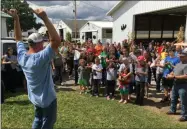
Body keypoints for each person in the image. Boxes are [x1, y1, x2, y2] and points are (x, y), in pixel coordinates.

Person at [5, 8, 61, 128]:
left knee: (38, 119)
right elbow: (56, 40)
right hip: (47, 99)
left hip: (34, 98)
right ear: (39, 44)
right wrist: (45, 17)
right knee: (47, 122)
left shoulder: (22, 57)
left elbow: (18, 38)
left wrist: (16, 19)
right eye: (42, 42)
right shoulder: (41, 58)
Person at [166, 47, 187, 122]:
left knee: (183, 101)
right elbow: (174, 71)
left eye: (182, 56)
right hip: (175, 84)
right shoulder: (178, 64)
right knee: (173, 98)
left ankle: (184, 115)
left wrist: (174, 76)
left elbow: (185, 76)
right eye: (180, 56)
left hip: (183, 85)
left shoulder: (186, 65)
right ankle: (172, 110)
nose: (180, 57)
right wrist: (169, 74)